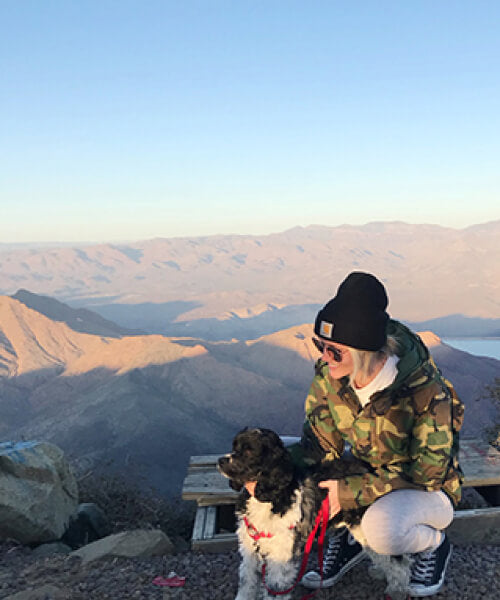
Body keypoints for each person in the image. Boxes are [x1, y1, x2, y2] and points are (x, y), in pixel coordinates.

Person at [295, 271, 464, 597]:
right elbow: (318, 445)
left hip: (428, 492)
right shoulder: (330, 378)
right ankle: (351, 538)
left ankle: (433, 545)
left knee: (382, 530)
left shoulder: (424, 392)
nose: (324, 358)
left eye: (334, 351)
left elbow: (426, 473)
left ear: (365, 350)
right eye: (320, 346)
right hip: (367, 478)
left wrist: (348, 493)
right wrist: (268, 468)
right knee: (302, 484)